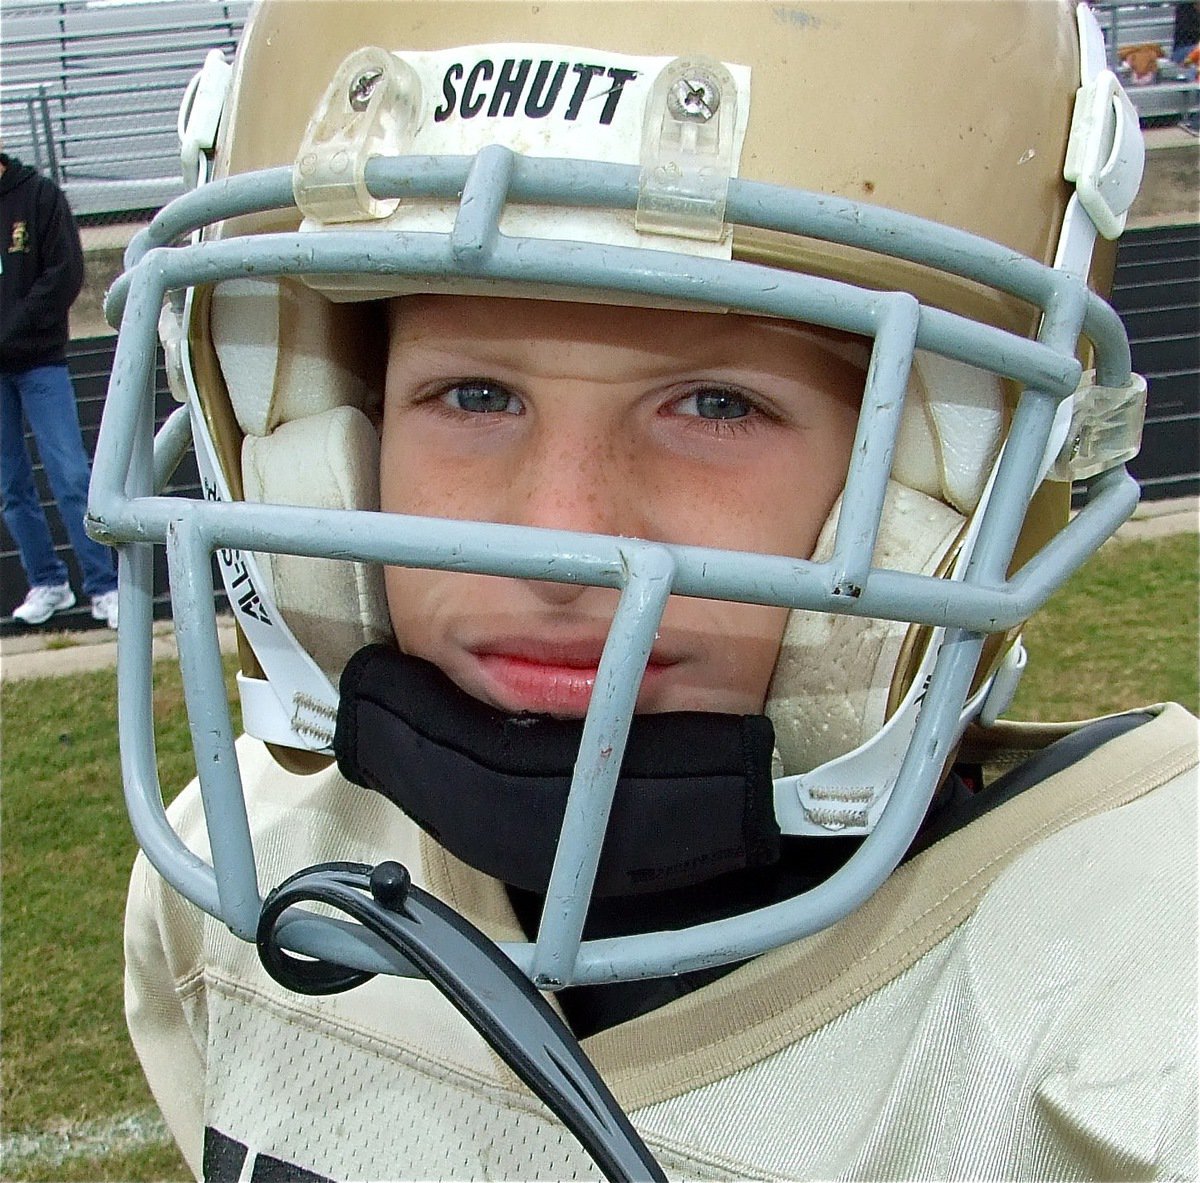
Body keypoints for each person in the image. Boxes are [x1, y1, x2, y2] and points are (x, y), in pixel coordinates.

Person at [101, 2, 1196, 1180]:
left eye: (717, 404)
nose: (560, 536)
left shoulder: (1129, 1017)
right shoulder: (262, 876)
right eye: (474, 396)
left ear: (957, 488)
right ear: (321, 439)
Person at [0, 150, 118, 629]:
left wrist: (14, 329)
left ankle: (104, 584)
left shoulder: (40, 196)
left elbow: (64, 273)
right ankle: (47, 581)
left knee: (71, 477)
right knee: (11, 488)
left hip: (40, 361)